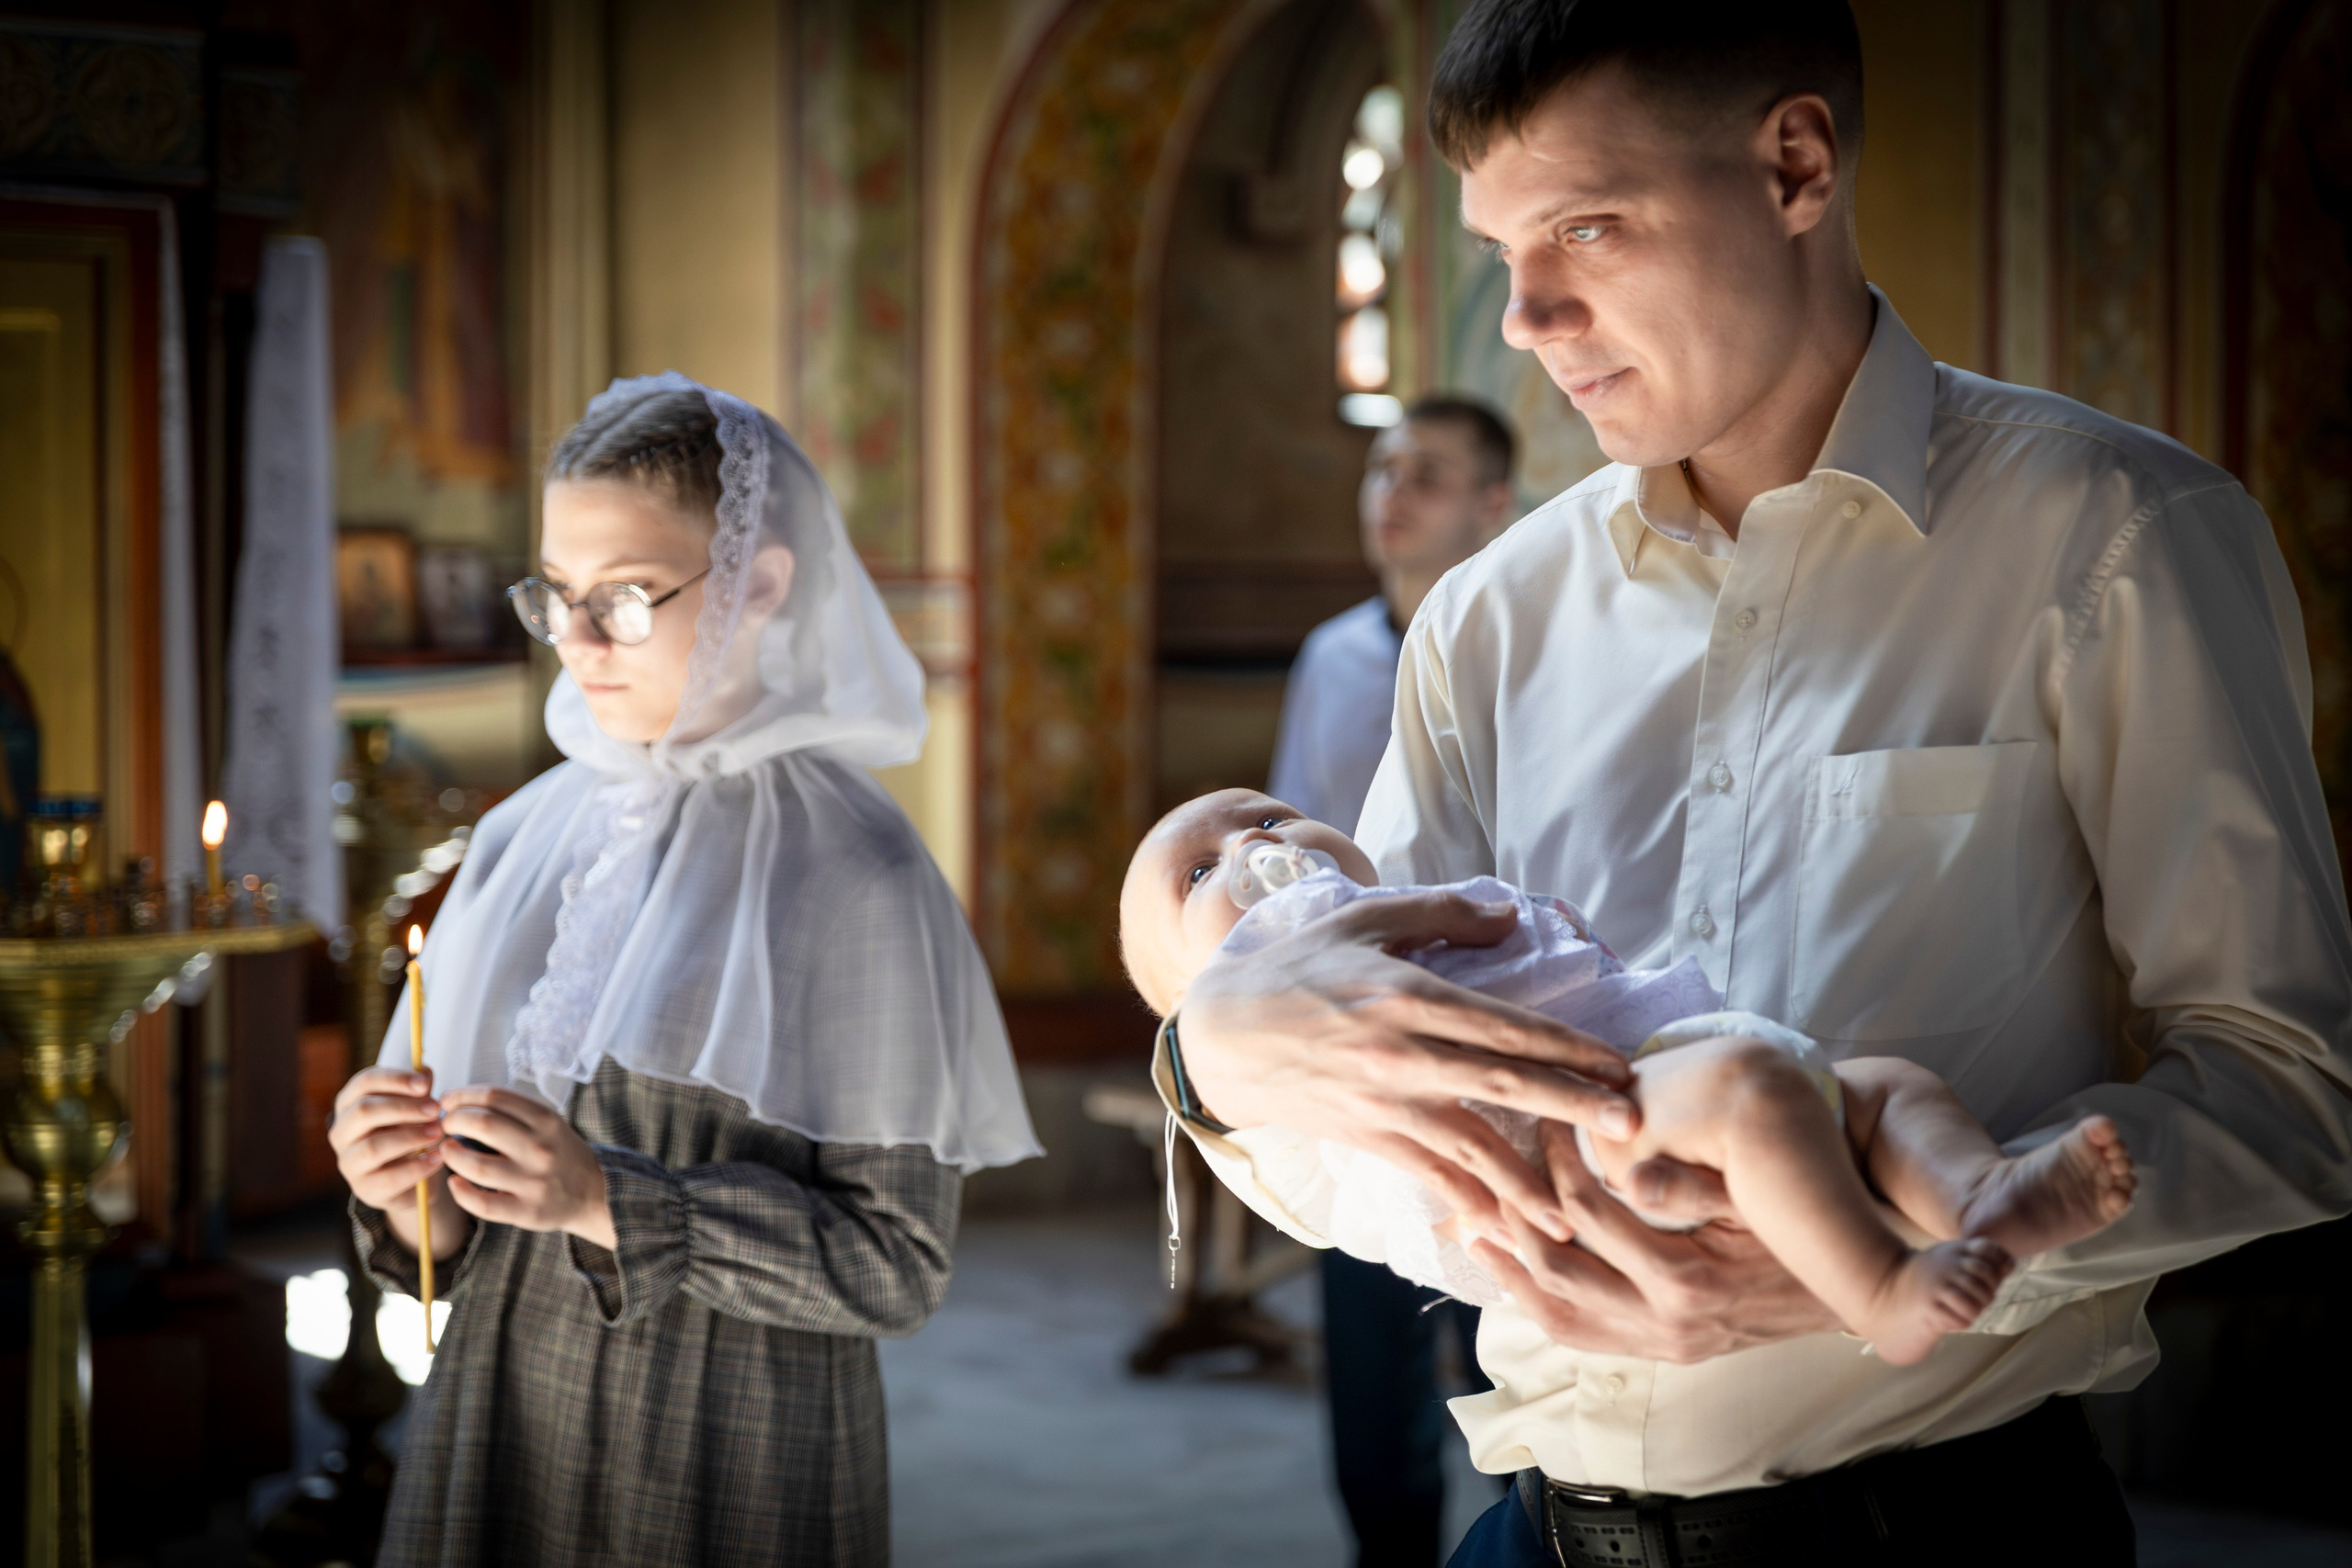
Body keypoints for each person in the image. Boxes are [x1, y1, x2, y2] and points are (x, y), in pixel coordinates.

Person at [1156, 3, 2352, 1564]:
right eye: (1499, 248)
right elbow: (1390, 1130)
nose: (1526, 314)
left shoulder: (2114, 537)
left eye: (1590, 224)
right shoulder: (1485, 623)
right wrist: (1227, 1076)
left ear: (1795, 164)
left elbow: (2290, 1089)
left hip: (1940, 1532)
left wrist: (1865, 1255)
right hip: (1530, 1533)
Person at [325, 375, 1040, 1568]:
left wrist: (609, 1197)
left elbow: (896, 1266)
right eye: (554, 596)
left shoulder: (856, 871)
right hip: (500, 1412)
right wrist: (403, 1187)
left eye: (624, 597)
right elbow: (451, 1228)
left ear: (759, 587)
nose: (577, 642)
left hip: (726, 1446)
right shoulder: (522, 836)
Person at [1122, 788, 2138, 1363]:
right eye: (1199, 877)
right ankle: (1878, 1287)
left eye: (1266, 816)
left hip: (1652, 1083)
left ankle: (1982, 1195)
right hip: (1588, 1145)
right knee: (1754, 1091)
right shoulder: (1281, 1010)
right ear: (1190, 994)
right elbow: (1283, 1156)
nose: (1255, 849)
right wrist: (1205, 1050)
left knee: (1884, 1088)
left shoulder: (1408, 903)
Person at [1267, 396, 1516, 1567]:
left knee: (1516, 1335)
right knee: (1369, 1347)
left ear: (1492, 505)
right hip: (1359, 1048)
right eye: (1382, 469)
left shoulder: (1521, 645)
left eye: (1426, 472)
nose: (1393, 494)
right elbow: (1287, 854)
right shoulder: (1332, 655)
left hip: (1505, 1039)